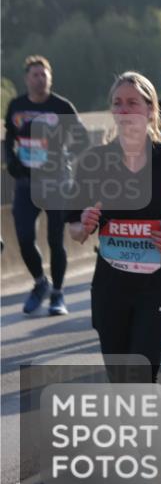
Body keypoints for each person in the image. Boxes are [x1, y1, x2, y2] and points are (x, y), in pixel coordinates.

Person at [65, 72, 161, 484]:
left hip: (157, 284)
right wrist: (85, 221)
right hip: (111, 283)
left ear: (150, 110)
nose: (124, 110)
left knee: (140, 377)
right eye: (117, 103)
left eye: (132, 102)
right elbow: (76, 233)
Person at [4, 55, 90, 316]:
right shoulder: (16, 105)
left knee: (55, 239)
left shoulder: (61, 106)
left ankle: (58, 294)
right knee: (24, 238)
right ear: (26, 79)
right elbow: (9, 138)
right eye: (35, 74)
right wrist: (12, 162)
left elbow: (82, 139)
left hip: (56, 182)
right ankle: (41, 282)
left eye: (44, 74)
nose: (40, 79)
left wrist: (62, 155)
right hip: (26, 182)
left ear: (50, 78)